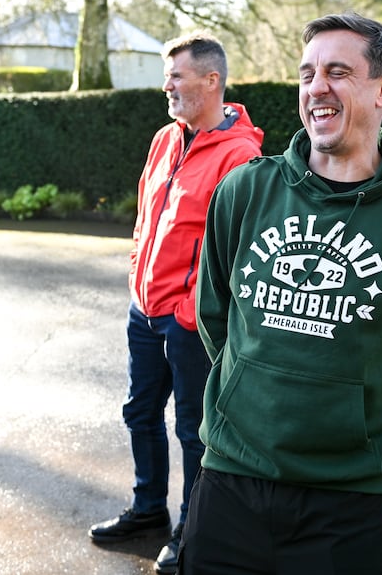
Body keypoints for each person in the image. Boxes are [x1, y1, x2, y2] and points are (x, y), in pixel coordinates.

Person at [179, 13, 382, 574]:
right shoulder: (245, 190)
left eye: (339, 71)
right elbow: (216, 313)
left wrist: (356, 415)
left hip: (348, 500)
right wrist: (250, 390)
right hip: (231, 482)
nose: (317, 87)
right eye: (307, 72)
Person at [88, 31, 264, 574]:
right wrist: (137, 280)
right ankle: (147, 510)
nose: (166, 85)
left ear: (211, 81)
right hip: (144, 311)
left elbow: (235, 255)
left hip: (189, 324)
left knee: (192, 428)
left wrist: (190, 311)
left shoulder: (242, 157)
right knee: (139, 412)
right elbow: (147, 216)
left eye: (176, 76)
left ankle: (191, 527)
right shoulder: (166, 138)